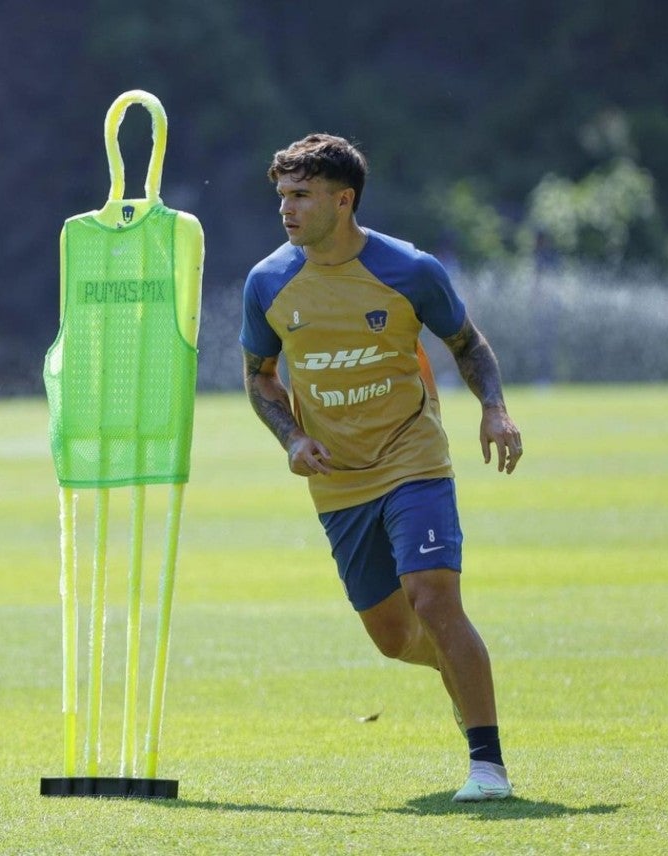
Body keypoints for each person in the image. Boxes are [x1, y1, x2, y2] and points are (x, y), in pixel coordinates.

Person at [239, 133, 523, 802]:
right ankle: (456, 678)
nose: (286, 208)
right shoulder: (269, 282)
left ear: (344, 201)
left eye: (301, 195)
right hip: (338, 480)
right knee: (395, 639)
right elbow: (258, 377)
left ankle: (488, 766)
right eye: (282, 195)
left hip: (412, 458)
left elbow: (466, 342)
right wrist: (290, 440)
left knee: (433, 596)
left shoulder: (409, 269)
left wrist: (495, 410)